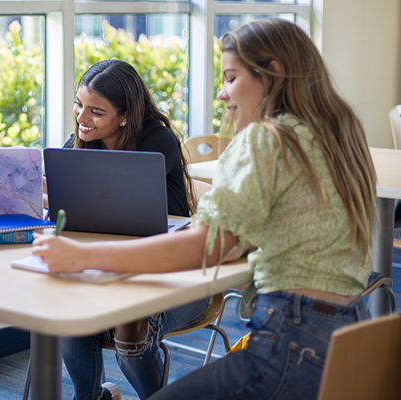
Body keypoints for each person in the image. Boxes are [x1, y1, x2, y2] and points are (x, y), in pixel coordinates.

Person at [33, 18, 377, 400]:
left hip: (292, 340)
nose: (222, 94)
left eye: (230, 78)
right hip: (351, 332)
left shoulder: (267, 138)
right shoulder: (337, 132)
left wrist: (83, 256)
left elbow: (205, 246)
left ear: (272, 74)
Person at [56, 59, 210, 400]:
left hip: (175, 275)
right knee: (75, 322)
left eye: (96, 111)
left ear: (124, 116)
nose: (82, 118)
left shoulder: (157, 140)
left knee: (131, 333)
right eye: (79, 105)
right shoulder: (84, 138)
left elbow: (118, 202)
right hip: (110, 270)